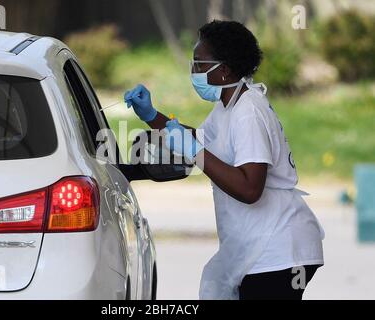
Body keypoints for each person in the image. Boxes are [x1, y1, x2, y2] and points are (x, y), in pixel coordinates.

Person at [124, 20, 325, 300]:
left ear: (225, 70)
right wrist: (151, 116)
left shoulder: (248, 112)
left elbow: (250, 188)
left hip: (279, 253)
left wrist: (195, 153)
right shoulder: (229, 106)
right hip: (260, 249)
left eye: (199, 65)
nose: (193, 72)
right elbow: (201, 140)